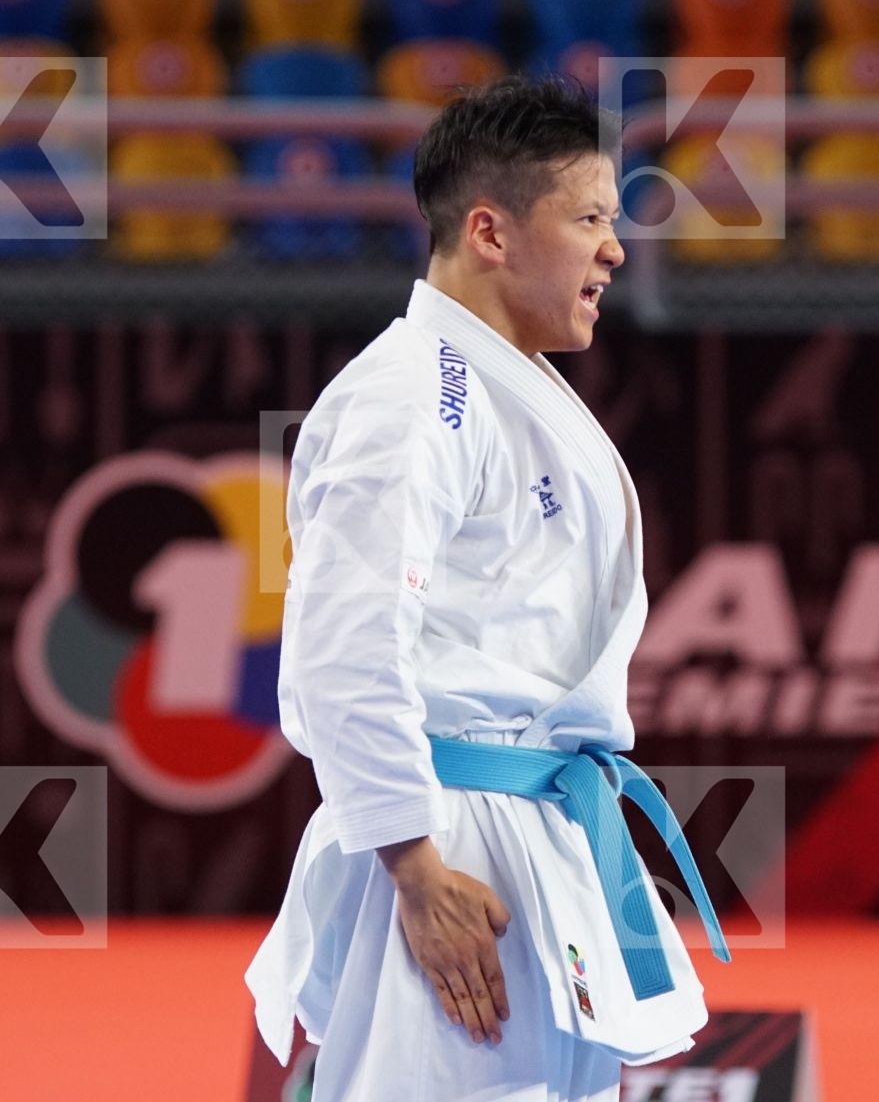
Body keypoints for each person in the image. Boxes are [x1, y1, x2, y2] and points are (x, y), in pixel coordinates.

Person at [245, 76, 729, 1102]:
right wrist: (414, 866)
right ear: (490, 232)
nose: (616, 250)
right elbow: (346, 647)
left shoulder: (489, 384)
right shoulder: (411, 397)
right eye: (590, 219)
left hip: (525, 822)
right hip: (449, 835)